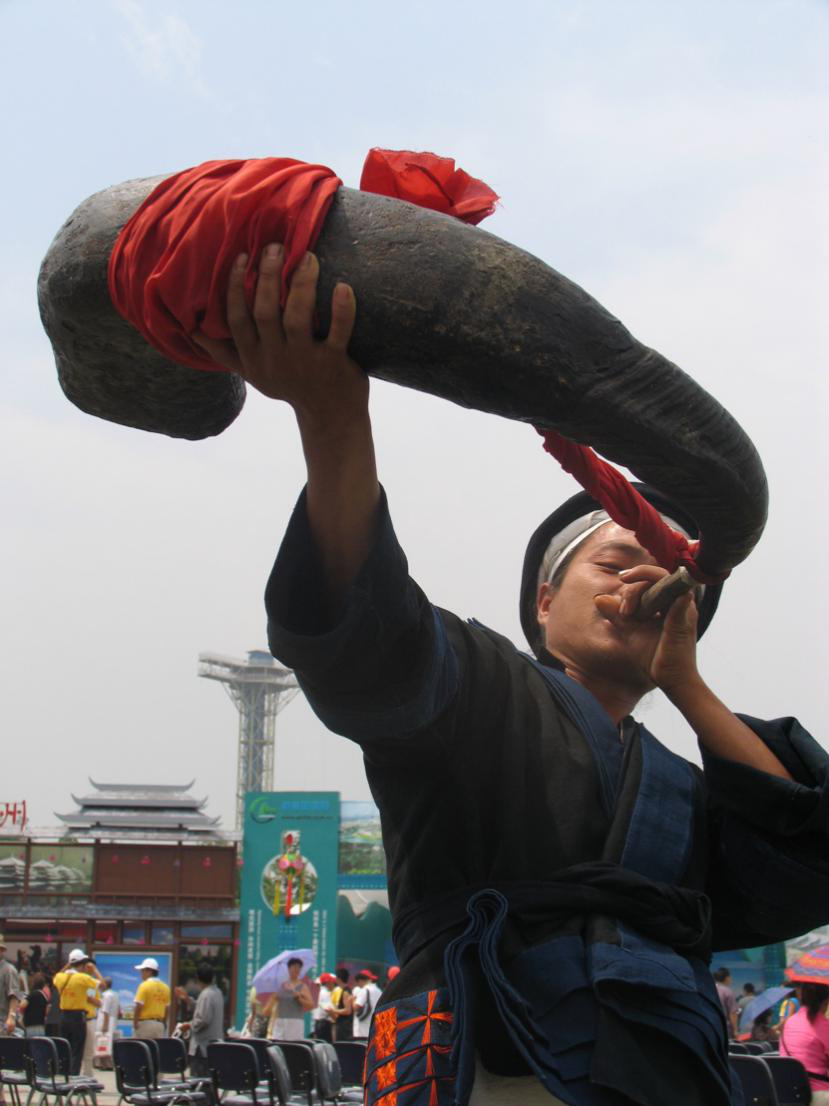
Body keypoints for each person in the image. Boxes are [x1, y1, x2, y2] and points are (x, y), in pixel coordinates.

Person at [194, 247, 829, 1106]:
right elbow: (368, 637)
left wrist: (688, 687)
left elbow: (808, 857)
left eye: (665, 580)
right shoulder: (481, 686)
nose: (638, 585)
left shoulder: (680, 790)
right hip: (487, 1060)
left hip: (662, 1075)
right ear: (543, 600)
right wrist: (333, 416)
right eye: (614, 562)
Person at [53, 950, 102, 1075]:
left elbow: (57, 976)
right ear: (82, 964)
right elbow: (102, 985)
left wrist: (68, 964)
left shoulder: (60, 977)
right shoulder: (83, 978)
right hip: (78, 1016)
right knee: (77, 1050)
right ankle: (74, 1076)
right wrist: (94, 970)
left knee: (64, 1047)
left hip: (63, 1016)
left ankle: (63, 1074)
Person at [780, 983, 829, 1103]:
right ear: (826, 1001)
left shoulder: (788, 1023)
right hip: (818, 1096)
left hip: (788, 1095)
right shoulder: (825, 1026)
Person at [179, 963, 224, 1078]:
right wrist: (188, 1000)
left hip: (202, 1046)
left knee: (199, 1081)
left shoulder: (206, 994)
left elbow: (203, 1019)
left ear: (198, 978)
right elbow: (203, 1009)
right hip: (214, 1045)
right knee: (210, 1081)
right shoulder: (217, 992)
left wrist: (188, 1025)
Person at [265, 957, 313, 1040]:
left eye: (299, 967)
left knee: (292, 1046)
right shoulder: (280, 986)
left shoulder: (302, 987)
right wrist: (274, 998)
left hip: (295, 1021)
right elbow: (266, 1010)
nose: (297, 970)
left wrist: (299, 998)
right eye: (294, 967)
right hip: (280, 1020)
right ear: (288, 968)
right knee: (278, 1044)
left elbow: (310, 1005)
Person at [132, 957, 170, 1040]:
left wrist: (135, 1023)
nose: (141, 973)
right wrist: (163, 1023)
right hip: (159, 1025)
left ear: (149, 971)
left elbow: (138, 1006)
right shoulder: (166, 987)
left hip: (145, 1024)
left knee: (142, 1047)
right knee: (156, 1048)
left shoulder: (144, 985)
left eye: (142, 970)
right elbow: (167, 1008)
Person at [94, 977, 120, 1069]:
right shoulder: (115, 994)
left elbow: (106, 1011)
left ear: (105, 984)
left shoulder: (106, 995)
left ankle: (105, 1064)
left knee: (103, 1043)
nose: (100, 985)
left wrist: (105, 1025)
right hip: (112, 1021)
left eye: (101, 983)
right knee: (108, 1043)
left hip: (105, 1021)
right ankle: (105, 1064)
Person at [0, 936, 21, 1039]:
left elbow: (14, 996)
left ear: (2, 950)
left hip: (2, 1021)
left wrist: (11, 1017)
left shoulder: (8, 970)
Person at [351, 971, 382, 1041]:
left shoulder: (365, 990)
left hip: (362, 1028)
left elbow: (356, 1007)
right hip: (374, 1028)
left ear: (360, 981)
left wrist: (353, 999)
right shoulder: (379, 991)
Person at [311, 973, 338, 1042]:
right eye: (332, 982)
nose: (333, 984)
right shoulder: (325, 993)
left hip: (318, 1024)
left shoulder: (318, 992)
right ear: (328, 982)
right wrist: (338, 1020)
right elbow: (328, 1010)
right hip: (324, 1025)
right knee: (325, 1045)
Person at [714, 968, 739, 1040]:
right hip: (724, 1027)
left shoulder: (710, 989)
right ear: (727, 978)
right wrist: (735, 1030)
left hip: (711, 1026)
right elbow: (733, 1013)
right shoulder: (728, 992)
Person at [329, 968, 353, 1042]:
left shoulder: (345, 992)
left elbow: (347, 1011)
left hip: (344, 1027)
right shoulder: (345, 990)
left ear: (339, 979)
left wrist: (333, 1010)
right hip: (343, 1025)